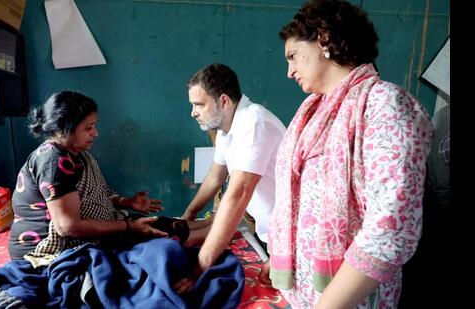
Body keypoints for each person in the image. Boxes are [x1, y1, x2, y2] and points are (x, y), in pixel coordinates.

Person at [267, 1, 434, 308]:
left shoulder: (383, 104)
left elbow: (390, 226)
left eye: (293, 56)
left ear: (324, 39)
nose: (289, 72)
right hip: (306, 294)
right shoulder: (314, 112)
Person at [8, 90, 190, 267]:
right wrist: (127, 226)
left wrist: (127, 202)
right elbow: (67, 227)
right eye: (88, 128)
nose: (95, 133)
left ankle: (213, 226)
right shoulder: (54, 162)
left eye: (94, 126)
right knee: (166, 237)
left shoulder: (76, 154)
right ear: (64, 129)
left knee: (166, 225)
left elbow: (98, 194)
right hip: (47, 249)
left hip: (89, 230)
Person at [176, 63, 286, 290]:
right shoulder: (226, 128)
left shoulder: (254, 123)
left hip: (288, 237)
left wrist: (199, 269)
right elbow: (215, 177)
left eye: (198, 105)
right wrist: (188, 215)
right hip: (271, 234)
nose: (193, 112)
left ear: (223, 101)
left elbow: (238, 194)